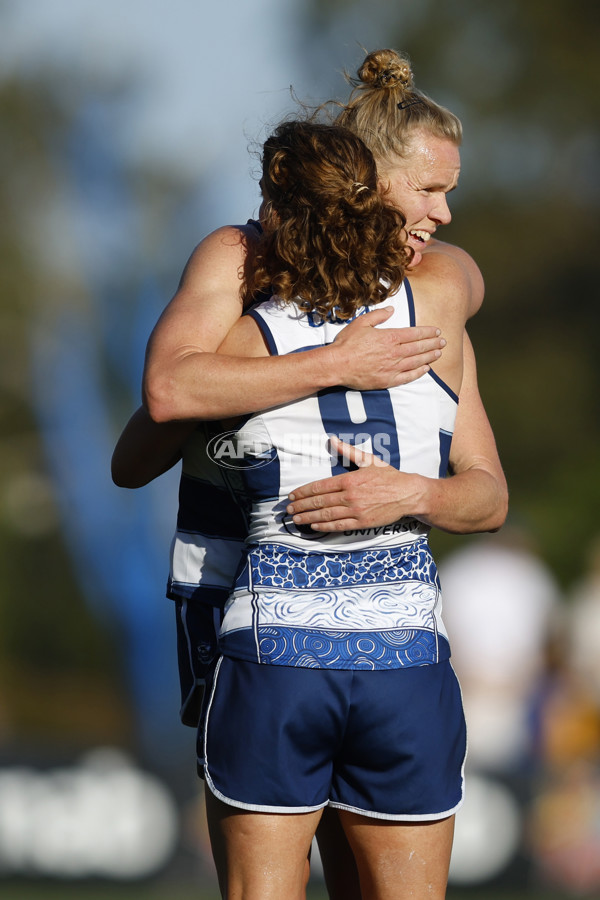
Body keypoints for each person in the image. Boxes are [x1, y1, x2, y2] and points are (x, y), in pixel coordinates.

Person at [112, 49, 508, 899]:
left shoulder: (431, 289)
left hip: (288, 636)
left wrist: (415, 491)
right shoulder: (239, 264)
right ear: (366, 183)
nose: (444, 214)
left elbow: (486, 489)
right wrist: (333, 361)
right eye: (429, 191)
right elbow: (156, 419)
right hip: (236, 606)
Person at [200, 116, 478, 900]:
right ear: (374, 195)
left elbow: (145, 435)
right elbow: (487, 491)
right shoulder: (439, 311)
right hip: (404, 661)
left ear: (280, 214)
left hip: (275, 653)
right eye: (430, 192)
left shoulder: (241, 339)